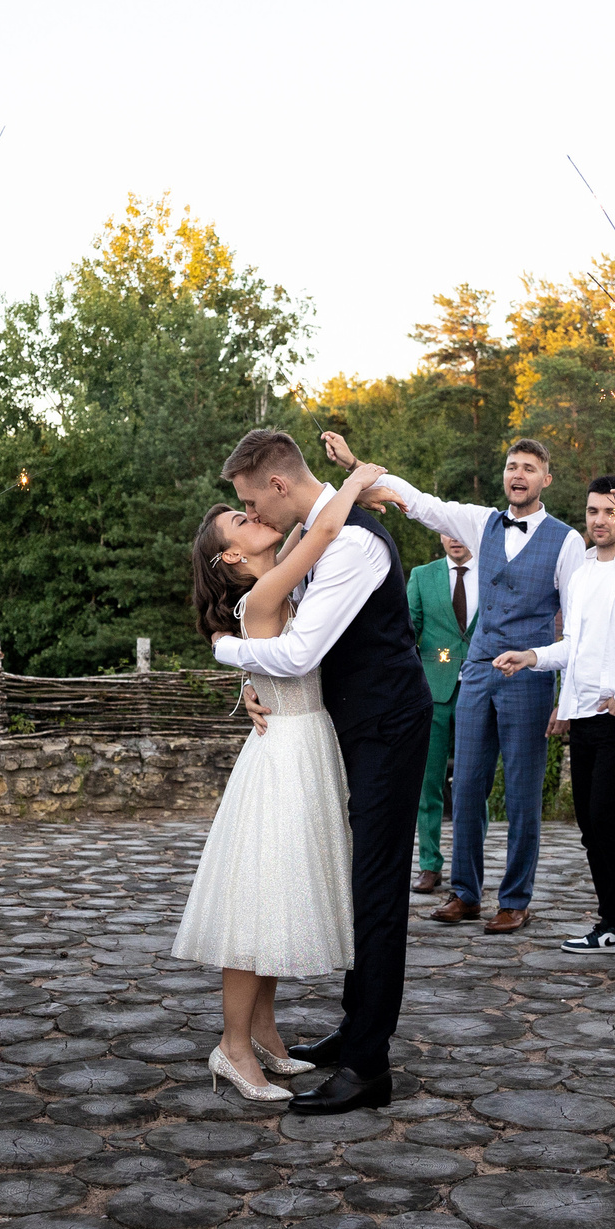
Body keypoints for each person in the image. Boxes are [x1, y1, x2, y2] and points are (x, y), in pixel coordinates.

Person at [208, 429, 431, 1116]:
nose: (254, 516)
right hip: (342, 732)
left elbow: (302, 648)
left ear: (276, 485)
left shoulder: (355, 544)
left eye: (250, 502)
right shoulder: (315, 536)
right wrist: (246, 678)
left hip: (386, 727)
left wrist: (229, 652)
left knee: (378, 890)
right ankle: (355, 1027)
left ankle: (369, 1063)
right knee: (357, 884)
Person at [176, 460, 393, 1098]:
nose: (253, 518)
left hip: (306, 745)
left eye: (244, 508)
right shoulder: (263, 595)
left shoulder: (275, 582)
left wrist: (245, 679)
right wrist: (352, 486)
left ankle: (265, 1036)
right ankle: (233, 1047)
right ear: (229, 560)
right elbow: (321, 533)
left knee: (275, 900)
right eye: (237, 522)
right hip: (284, 757)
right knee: (257, 903)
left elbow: (306, 527)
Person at [324, 432, 584, 935]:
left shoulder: (567, 541)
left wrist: (561, 692)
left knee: (523, 793)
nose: (518, 474)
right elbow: (417, 503)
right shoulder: (481, 521)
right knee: (465, 786)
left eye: (530, 468)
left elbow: (577, 632)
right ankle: (464, 892)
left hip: (529, 677)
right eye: (512, 465)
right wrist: (358, 466)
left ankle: (515, 899)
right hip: (477, 673)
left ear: (546, 479)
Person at [493, 475, 615, 963]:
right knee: (591, 827)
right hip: (586, 714)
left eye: (607, 512)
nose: (597, 521)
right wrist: (532, 656)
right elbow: (576, 646)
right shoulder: (582, 573)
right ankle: (613, 920)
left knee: (611, 821)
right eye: (591, 511)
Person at [403, 534, 474, 893]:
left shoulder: (492, 573)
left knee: (471, 786)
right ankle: (429, 865)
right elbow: (405, 632)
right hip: (432, 692)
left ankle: (468, 866)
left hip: (480, 689)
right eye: (447, 531)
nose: (454, 539)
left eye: (460, 530)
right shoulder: (422, 575)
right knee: (428, 783)